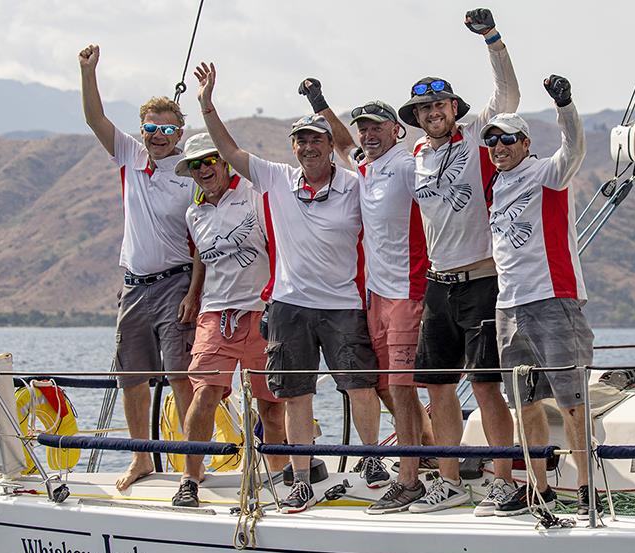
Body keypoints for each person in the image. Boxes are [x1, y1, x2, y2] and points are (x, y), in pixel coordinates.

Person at [194, 62, 389, 514]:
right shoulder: (277, 179)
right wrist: (206, 105)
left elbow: (351, 147)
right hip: (288, 306)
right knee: (295, 393)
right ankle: (301, 478)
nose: (307, 147)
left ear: (327, 146)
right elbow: (229, 148)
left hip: (342, 304)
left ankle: (374, 462)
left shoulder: (355, 185)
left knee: (359, 386)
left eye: (315, 140)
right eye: (300, 140)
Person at [395, 8, 519, 515]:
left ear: (454, 107)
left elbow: (508, 94)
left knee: (487, 385)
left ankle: (504, 481)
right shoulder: (419, 154)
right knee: (437, 386)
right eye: (423, 109)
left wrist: (491, 38)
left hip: (482, 280)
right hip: (438, 285)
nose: (432, 114)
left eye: (439, 105)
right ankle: (448, 481)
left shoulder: (475, 136)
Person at [298, 82, 436, 514]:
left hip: (408, 292)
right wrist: (319, 104)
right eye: (363, 128)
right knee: (382, 386)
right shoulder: (365, 165)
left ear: (398, 130)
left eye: (377, 127)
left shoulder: (410, 164)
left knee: (402, 387)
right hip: (375, 295)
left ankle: (410, 480)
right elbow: (342, 144)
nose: (368, 134)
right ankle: (428, 452)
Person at [79, 44, 201, 491]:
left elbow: (203, 243)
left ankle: (193, 465)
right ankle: (142, 458)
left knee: (181, 376)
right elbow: (95, 119)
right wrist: (88, 72)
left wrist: (194, 292)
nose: (158, 135)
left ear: (180, 131)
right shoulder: (129, 156)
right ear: (143, 130)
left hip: (175, 284)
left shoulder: (191, 172)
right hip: (133, 285)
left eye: (168, 128)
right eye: (151, 128)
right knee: (132, 376)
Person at [481, 75, 598, 518]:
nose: (499, 147)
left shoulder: (548, 172)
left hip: (554, 299)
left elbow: (574, 149)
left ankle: (587, 487)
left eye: (508, 140)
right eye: (493, 141)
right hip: (508, 306)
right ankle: (540, 488)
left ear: (525, 143)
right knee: (523, 402)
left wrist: (564, 104)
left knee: (571, 399)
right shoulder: (495, 185)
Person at [170, 133, 288, 507]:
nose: (203, 169)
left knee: (270, 402)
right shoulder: (194, 212)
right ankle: (191, 477)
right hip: (215, 314)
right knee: (204, 394)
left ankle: (280, 474)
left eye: (209, 160)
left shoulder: (253, 194)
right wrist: (192, 293)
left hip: (260, 311)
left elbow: (278, 243)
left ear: (223, 162)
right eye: (195, 165)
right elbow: (203, 256)